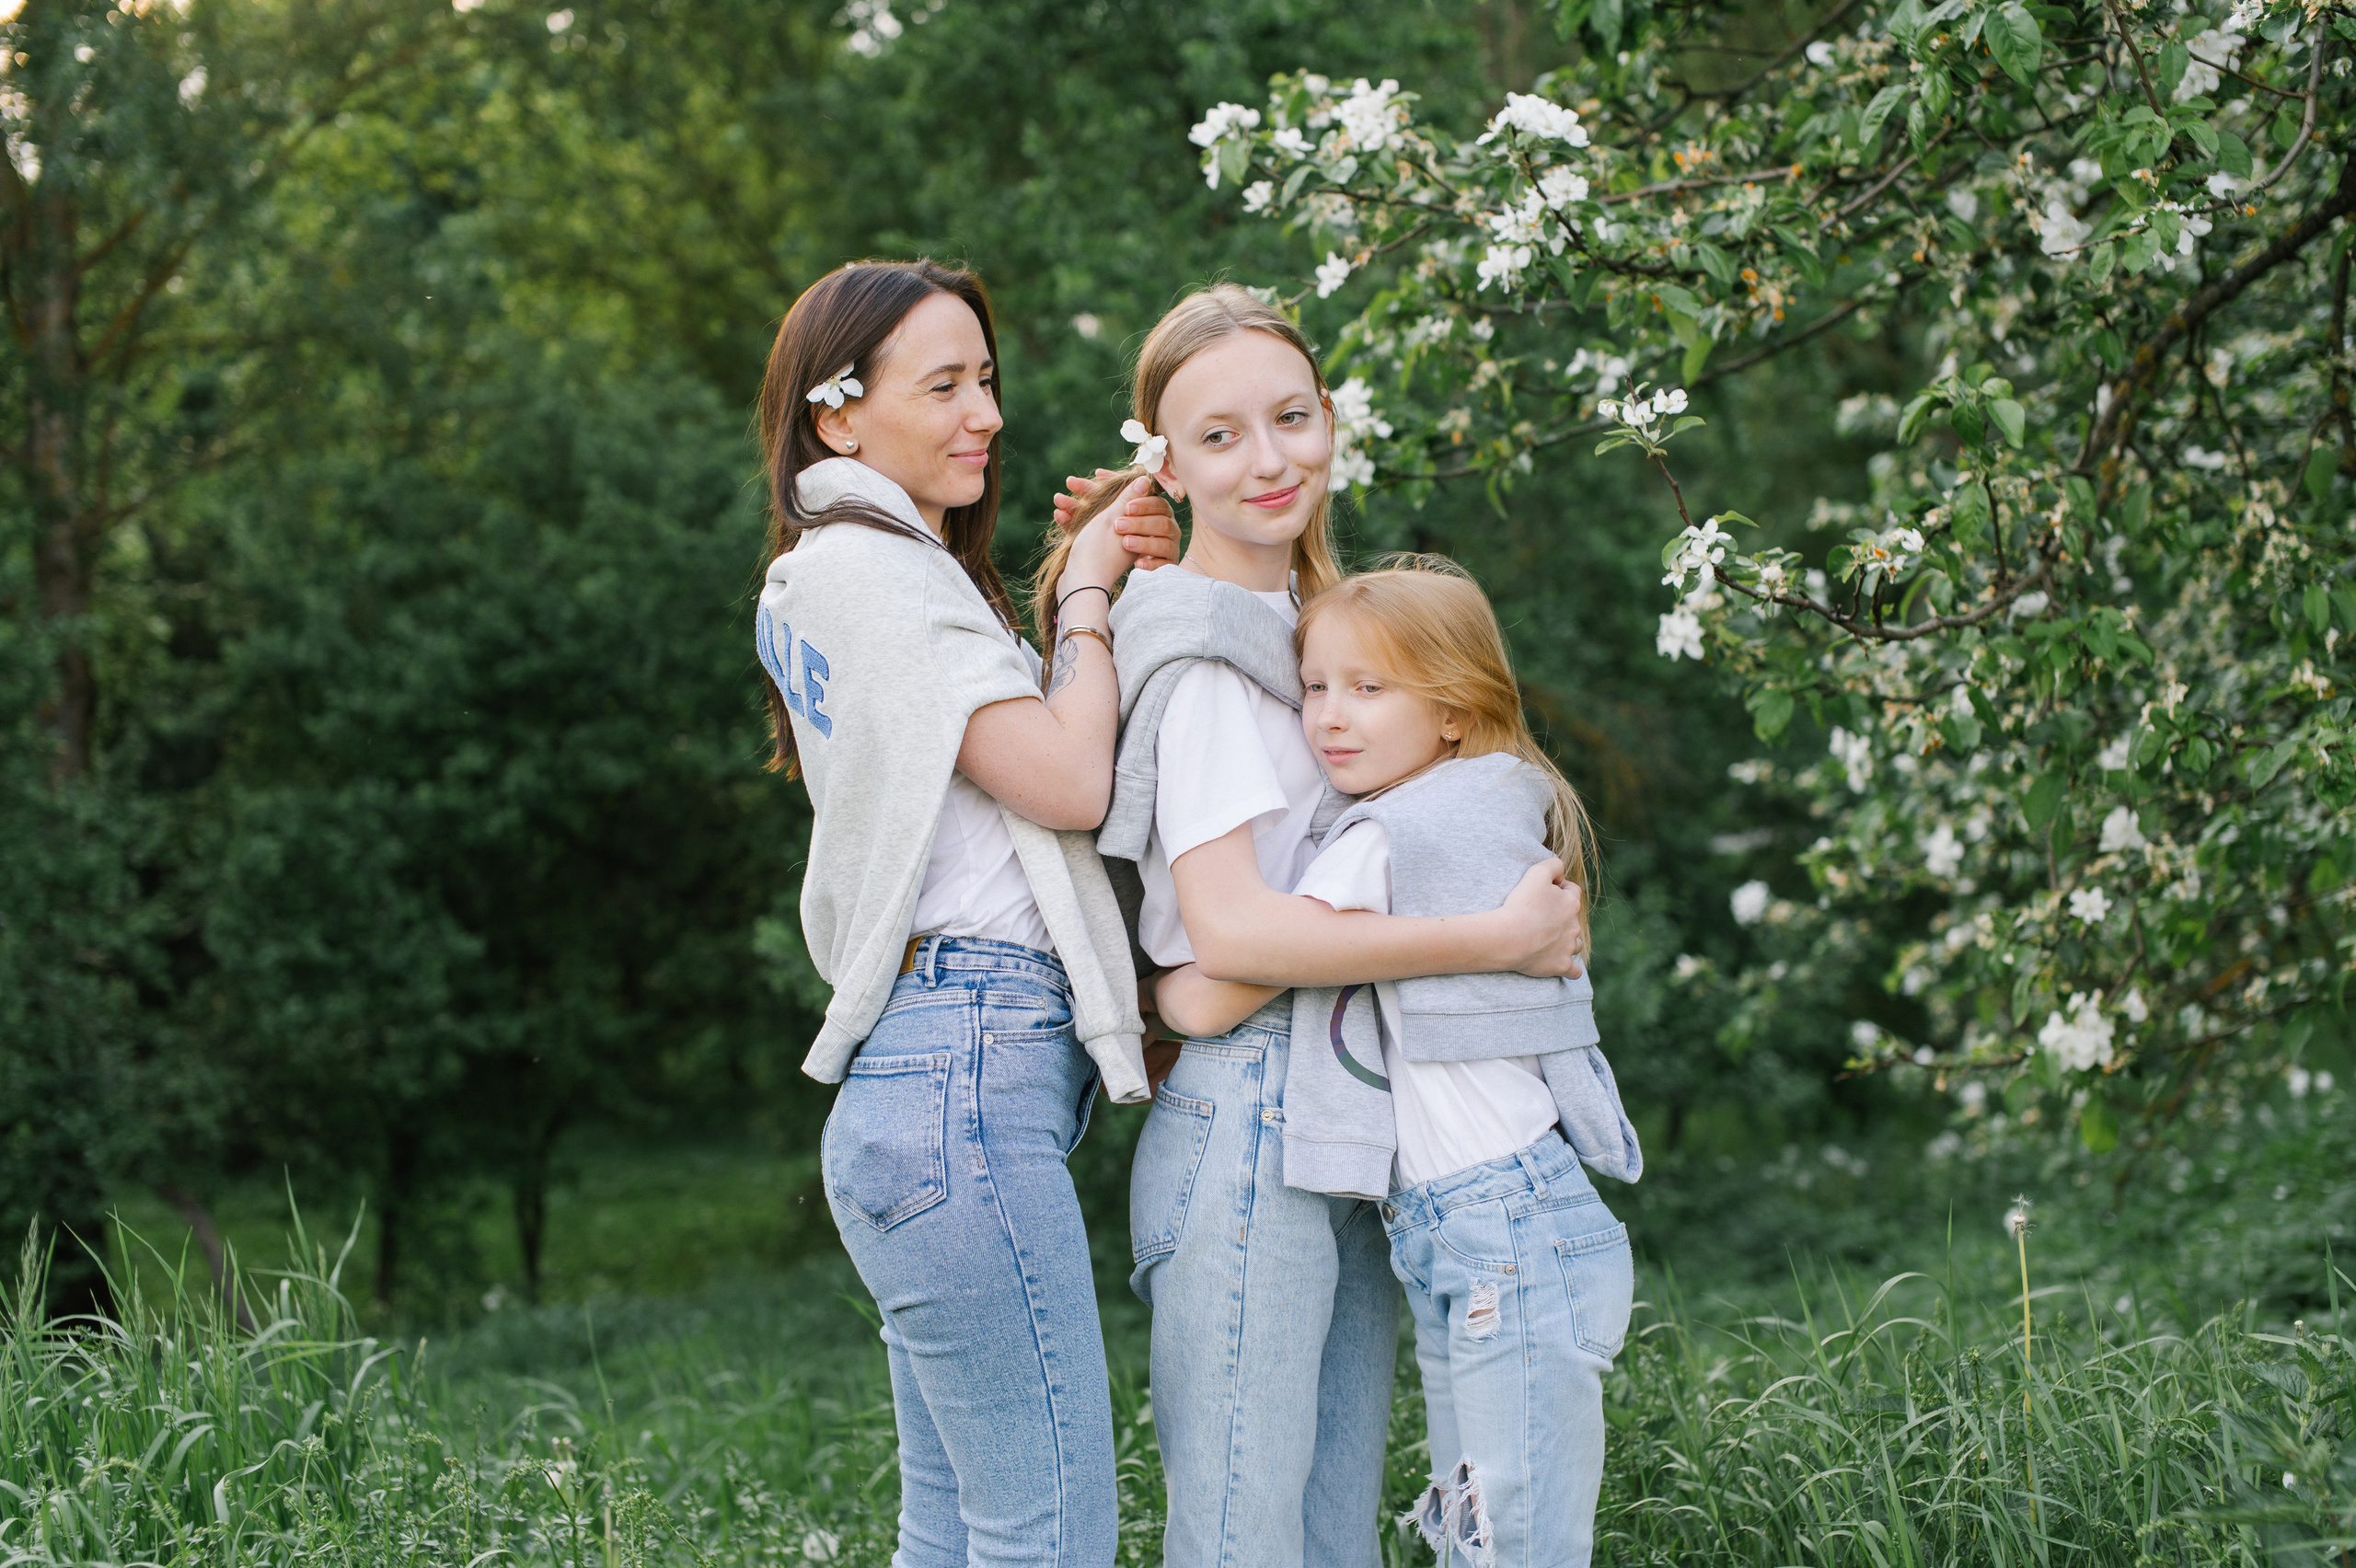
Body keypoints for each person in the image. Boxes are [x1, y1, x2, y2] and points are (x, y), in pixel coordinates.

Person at [1046, 286, 1590, 1568]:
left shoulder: (1320, 640)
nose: (1270, 457)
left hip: (1335, 1116)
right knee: (1243, 1545)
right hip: (1244, 1127)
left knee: (1331, 1539)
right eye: (1220, 436)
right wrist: (1490, 943)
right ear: (1163, 462)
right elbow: (1226, 938)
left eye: (1291, 417)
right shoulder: (1206, 665)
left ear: (1330, 421)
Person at [753, 258, 1181, 1568]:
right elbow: (1065, 776)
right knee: (1046, 1539)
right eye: (942, 385)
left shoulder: (856, 576)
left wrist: (1077, 579)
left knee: (961, 1539)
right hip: (962, 1081)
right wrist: (1095, 597)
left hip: (929, 1087)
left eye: (984, 379)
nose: (984, 413)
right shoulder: (870, 575)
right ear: (839, 416)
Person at [1156, 559, 1642, 1568]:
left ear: (1455, 712)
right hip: (1491, 1223)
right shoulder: (1486, 805)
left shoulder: (1388, 839)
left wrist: (1143, 987)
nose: (1330, 716)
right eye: (1318, 687)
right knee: (1486, 1531)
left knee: (1510, 1544)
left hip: (1497, 1224)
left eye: (1369, 690)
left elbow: (1212, 991)